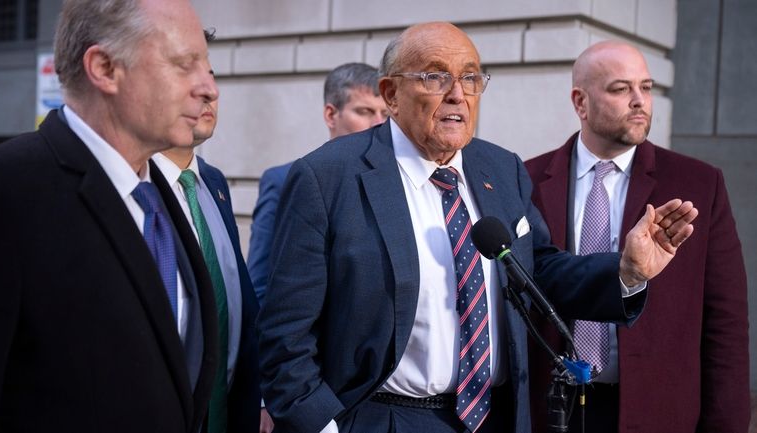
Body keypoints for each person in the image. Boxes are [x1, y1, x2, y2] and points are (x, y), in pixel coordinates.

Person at [256, 22, 698, 433]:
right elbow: (285, 335)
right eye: (434, 77)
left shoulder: (501, 168)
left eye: (470, 78)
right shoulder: (329, 177)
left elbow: (536, 270)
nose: (457, 94)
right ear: (390, 94)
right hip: (384, 417)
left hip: (495, 416)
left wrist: (627, 272)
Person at [0, 1, 220, 432]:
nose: (209, 88)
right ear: (105, 67)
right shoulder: (5, 192)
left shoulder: (162, 197)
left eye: (207, 67)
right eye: (185, 65)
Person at [525, 41, 749, 433]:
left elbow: (725, 321)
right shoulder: (524, 179)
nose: (639, 100)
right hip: (550, 411)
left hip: (655, 412)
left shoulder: (698, 183)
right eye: (620, 89)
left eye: (645, 87)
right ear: (581, 102)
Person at [152, 29, 263, 433]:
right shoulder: (134, 191)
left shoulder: (213, 184)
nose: (209, 92)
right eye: (186, 76)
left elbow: (238, 302)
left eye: (213, 76)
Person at [247, 62, 388, 303]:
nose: (378, 123)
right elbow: (260, 285)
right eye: (364, 111)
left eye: (384, 114)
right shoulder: (284, 180)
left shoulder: (394, 183)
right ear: (331, 115)